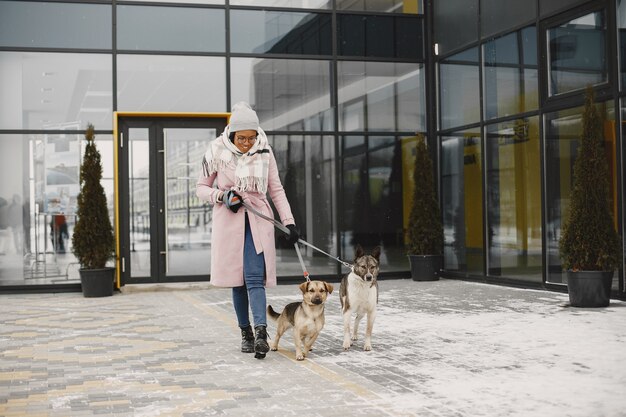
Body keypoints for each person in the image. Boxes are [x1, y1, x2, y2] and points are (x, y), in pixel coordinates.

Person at [196, 101, 299, 359]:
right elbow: (200, 188)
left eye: (251, 138)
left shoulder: (264, 150)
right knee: (237, 281)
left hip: (258, 219)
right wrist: (223, 195)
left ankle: (261, 334)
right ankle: (246, 333)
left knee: (254, 276)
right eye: (241, 138)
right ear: (231, 133)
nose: (246, 143)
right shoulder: (216, 151)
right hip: (229, 221)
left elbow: (276, 188)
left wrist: (289, 222)